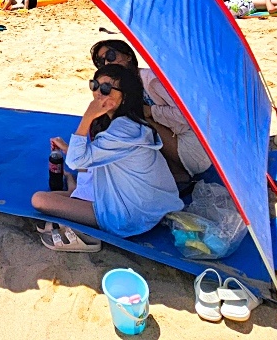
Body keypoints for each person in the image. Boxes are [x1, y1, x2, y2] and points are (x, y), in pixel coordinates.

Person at [31, 64, 182, 241]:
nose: (98, 93)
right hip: (148, 204)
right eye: (95, 85)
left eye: (106, 88)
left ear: (124, 97)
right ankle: (73, 194)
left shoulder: (122, 130)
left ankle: (81, 221)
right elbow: (95, 158)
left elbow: (76, 161)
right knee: (55, 196)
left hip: (130, 215)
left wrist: (87, 117)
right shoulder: (128, 123)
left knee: (39, 200)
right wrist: (68, 149)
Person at [90, 40, 211, 187]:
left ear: (128, 56)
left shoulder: (151, 79)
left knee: (136, 118)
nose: (108, 63)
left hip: (196, 148)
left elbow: (186, 116)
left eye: (110, 55)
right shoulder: (126, 87)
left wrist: (150, 111)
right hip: (174, 138)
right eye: (101, 61)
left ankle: (177, 172)